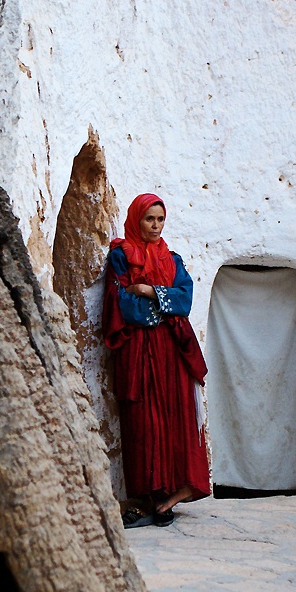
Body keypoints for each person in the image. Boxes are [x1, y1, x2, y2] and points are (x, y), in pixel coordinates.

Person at [102, 193, 210, 528]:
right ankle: (149, 497)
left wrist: (150, 291)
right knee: (143, 420)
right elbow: (121, 304)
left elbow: (185, 299)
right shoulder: (121, 257)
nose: (155, 226)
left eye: (160, 219)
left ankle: (171, 496)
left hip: (170, 351)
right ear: (137, 219)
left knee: (173, 416)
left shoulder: (172, 259)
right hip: (138, 351)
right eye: (149, 219)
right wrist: (163, 305)